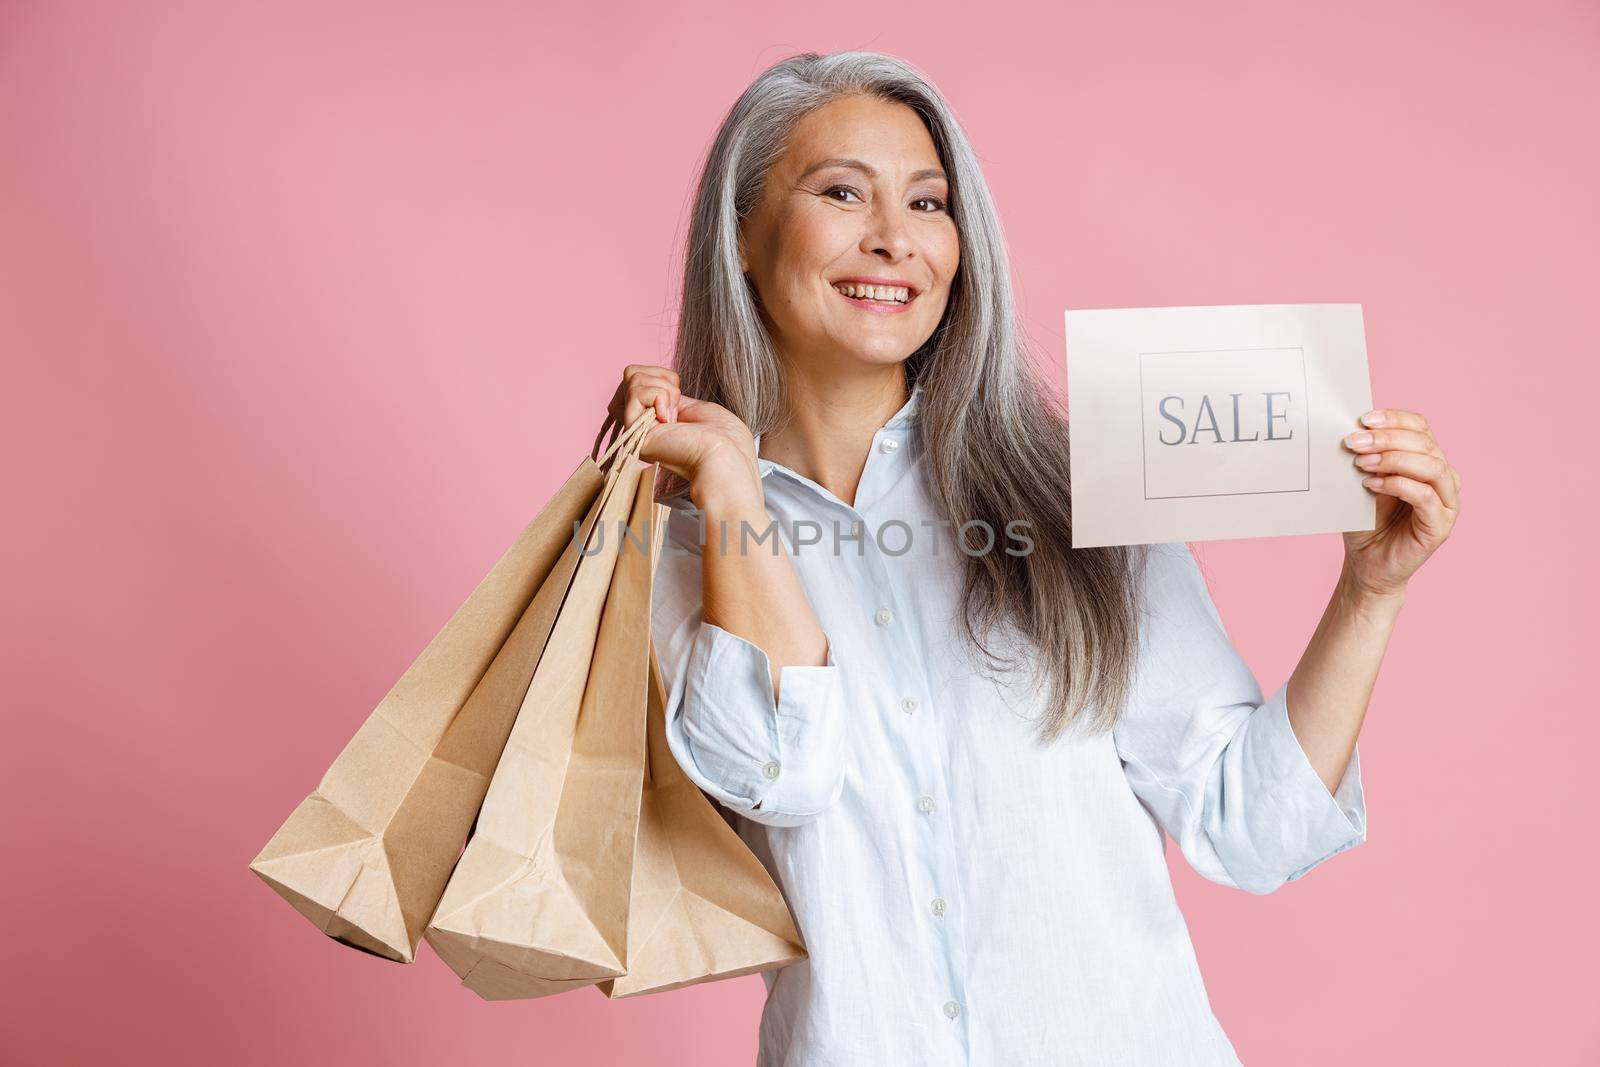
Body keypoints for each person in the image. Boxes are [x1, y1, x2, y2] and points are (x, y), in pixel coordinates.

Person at [600, 50, 1460, 1067]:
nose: (894, 239)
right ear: (740, 233)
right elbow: (780, 773)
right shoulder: (676, 538)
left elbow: (1249, 824)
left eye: (928, 203)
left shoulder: (1077, 489)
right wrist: (733, 486)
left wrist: (1368, 593)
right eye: (841, 191)